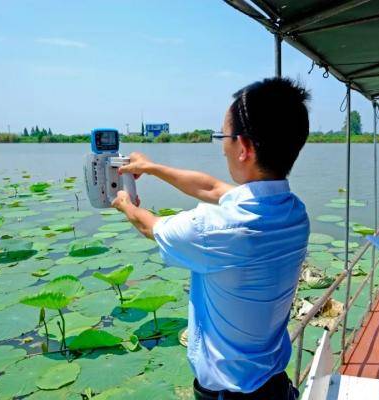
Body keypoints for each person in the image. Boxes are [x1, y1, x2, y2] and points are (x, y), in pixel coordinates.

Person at [111, 77, 310, 399]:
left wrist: (122, 202)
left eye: (224, 136)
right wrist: (150, 167)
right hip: (273, 386)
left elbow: (151, 227)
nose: (222, 146)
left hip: (228, 395)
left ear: (243, 147)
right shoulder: (292, 211)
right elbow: (213, 189)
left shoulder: (218, 227)